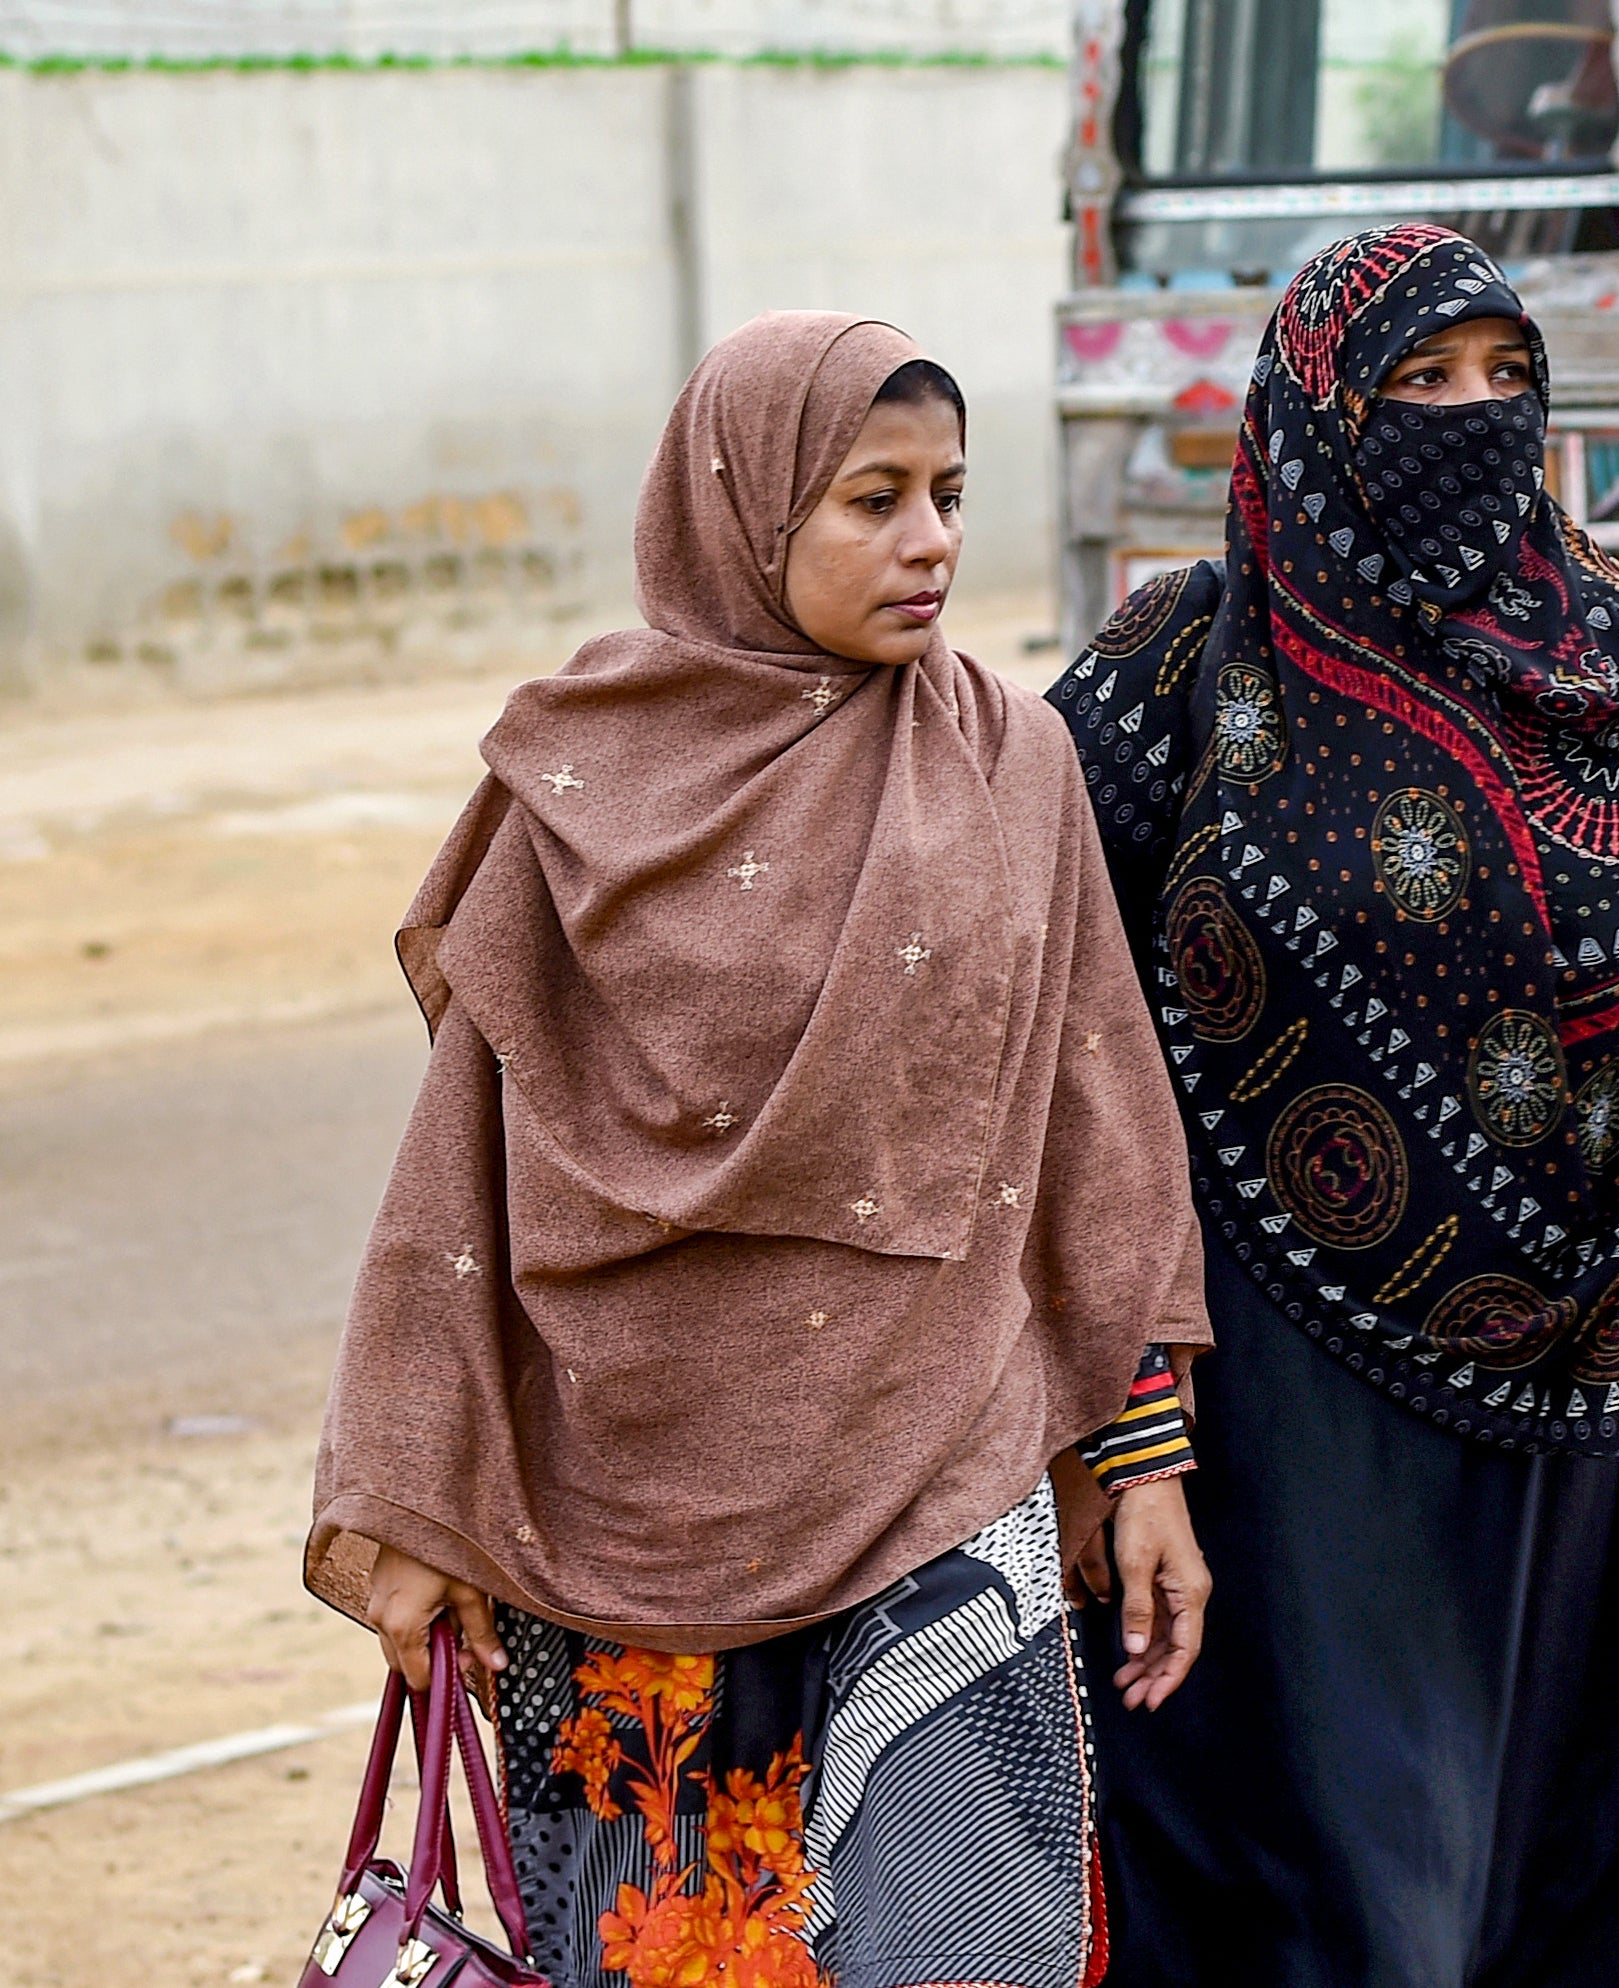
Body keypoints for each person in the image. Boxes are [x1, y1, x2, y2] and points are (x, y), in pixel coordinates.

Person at [305, 313, 1216, 1988]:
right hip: (621, 1503)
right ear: (743, 505)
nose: (932, 539)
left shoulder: (1013, 761)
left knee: (963, 1948)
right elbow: (464, 1169)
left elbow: (1099, 1103)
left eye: (948, 490)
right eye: (871, 498)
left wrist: (1139, 1451)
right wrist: (419, 1488)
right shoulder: (589, 774)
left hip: (946, 1457)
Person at [1047, 222, 1619, 1987]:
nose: (1473, 417)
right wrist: (1102, 1404)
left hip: (1577, 1387)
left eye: (1506, 380)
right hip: (1271, 1394)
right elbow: (1035, 998)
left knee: (1567, 1862)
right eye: (1419, 381)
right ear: (1316, 408)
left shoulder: (1616, 662)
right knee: (1336, 1867)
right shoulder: (1181, 667)